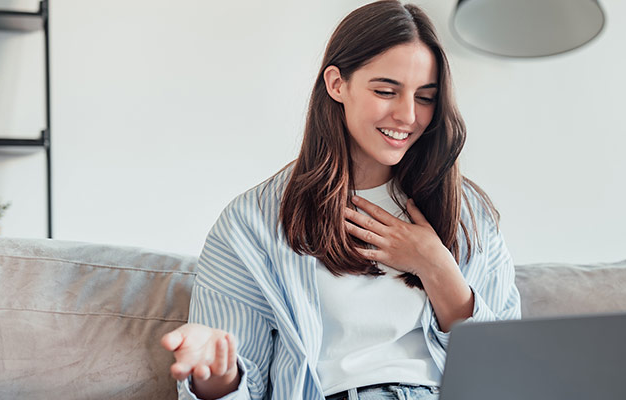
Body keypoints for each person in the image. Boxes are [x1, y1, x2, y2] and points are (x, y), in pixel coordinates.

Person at [160, 1, 521, 399]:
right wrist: (216, 378)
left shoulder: (467, 210)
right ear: (336, 84)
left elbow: (510, 371)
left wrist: (435, 265)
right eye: (386, 91)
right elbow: (237, 382)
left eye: (425, 97)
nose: (407, 115)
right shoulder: (252, 223)